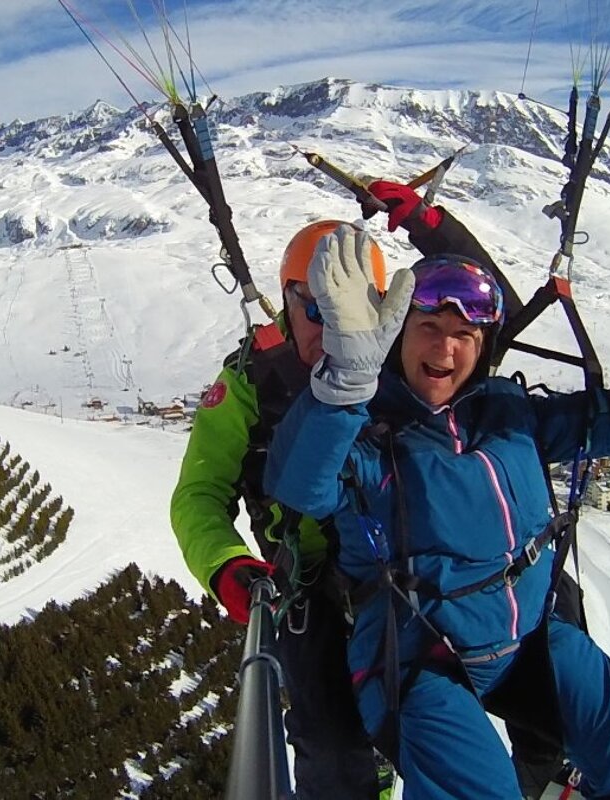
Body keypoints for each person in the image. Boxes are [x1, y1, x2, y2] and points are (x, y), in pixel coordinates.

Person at [264, 219, 610, 798]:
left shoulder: (510, 413)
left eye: (464, 335)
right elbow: (299, 485)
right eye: (429, 327)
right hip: (420, 660)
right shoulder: (369, 431)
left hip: (525, 640)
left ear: (482, 348)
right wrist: (344, 381)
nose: (445, 347)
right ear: (399, 337)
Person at [170, 219, 387, 799]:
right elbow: (200, 493)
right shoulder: (251, 382)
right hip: (306, 581)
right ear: (287, 302)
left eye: (356, 309)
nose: (337, 327)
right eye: (318, 310)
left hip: (397, 567)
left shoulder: (400, 365)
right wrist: (225, 564)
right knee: (333, 747)